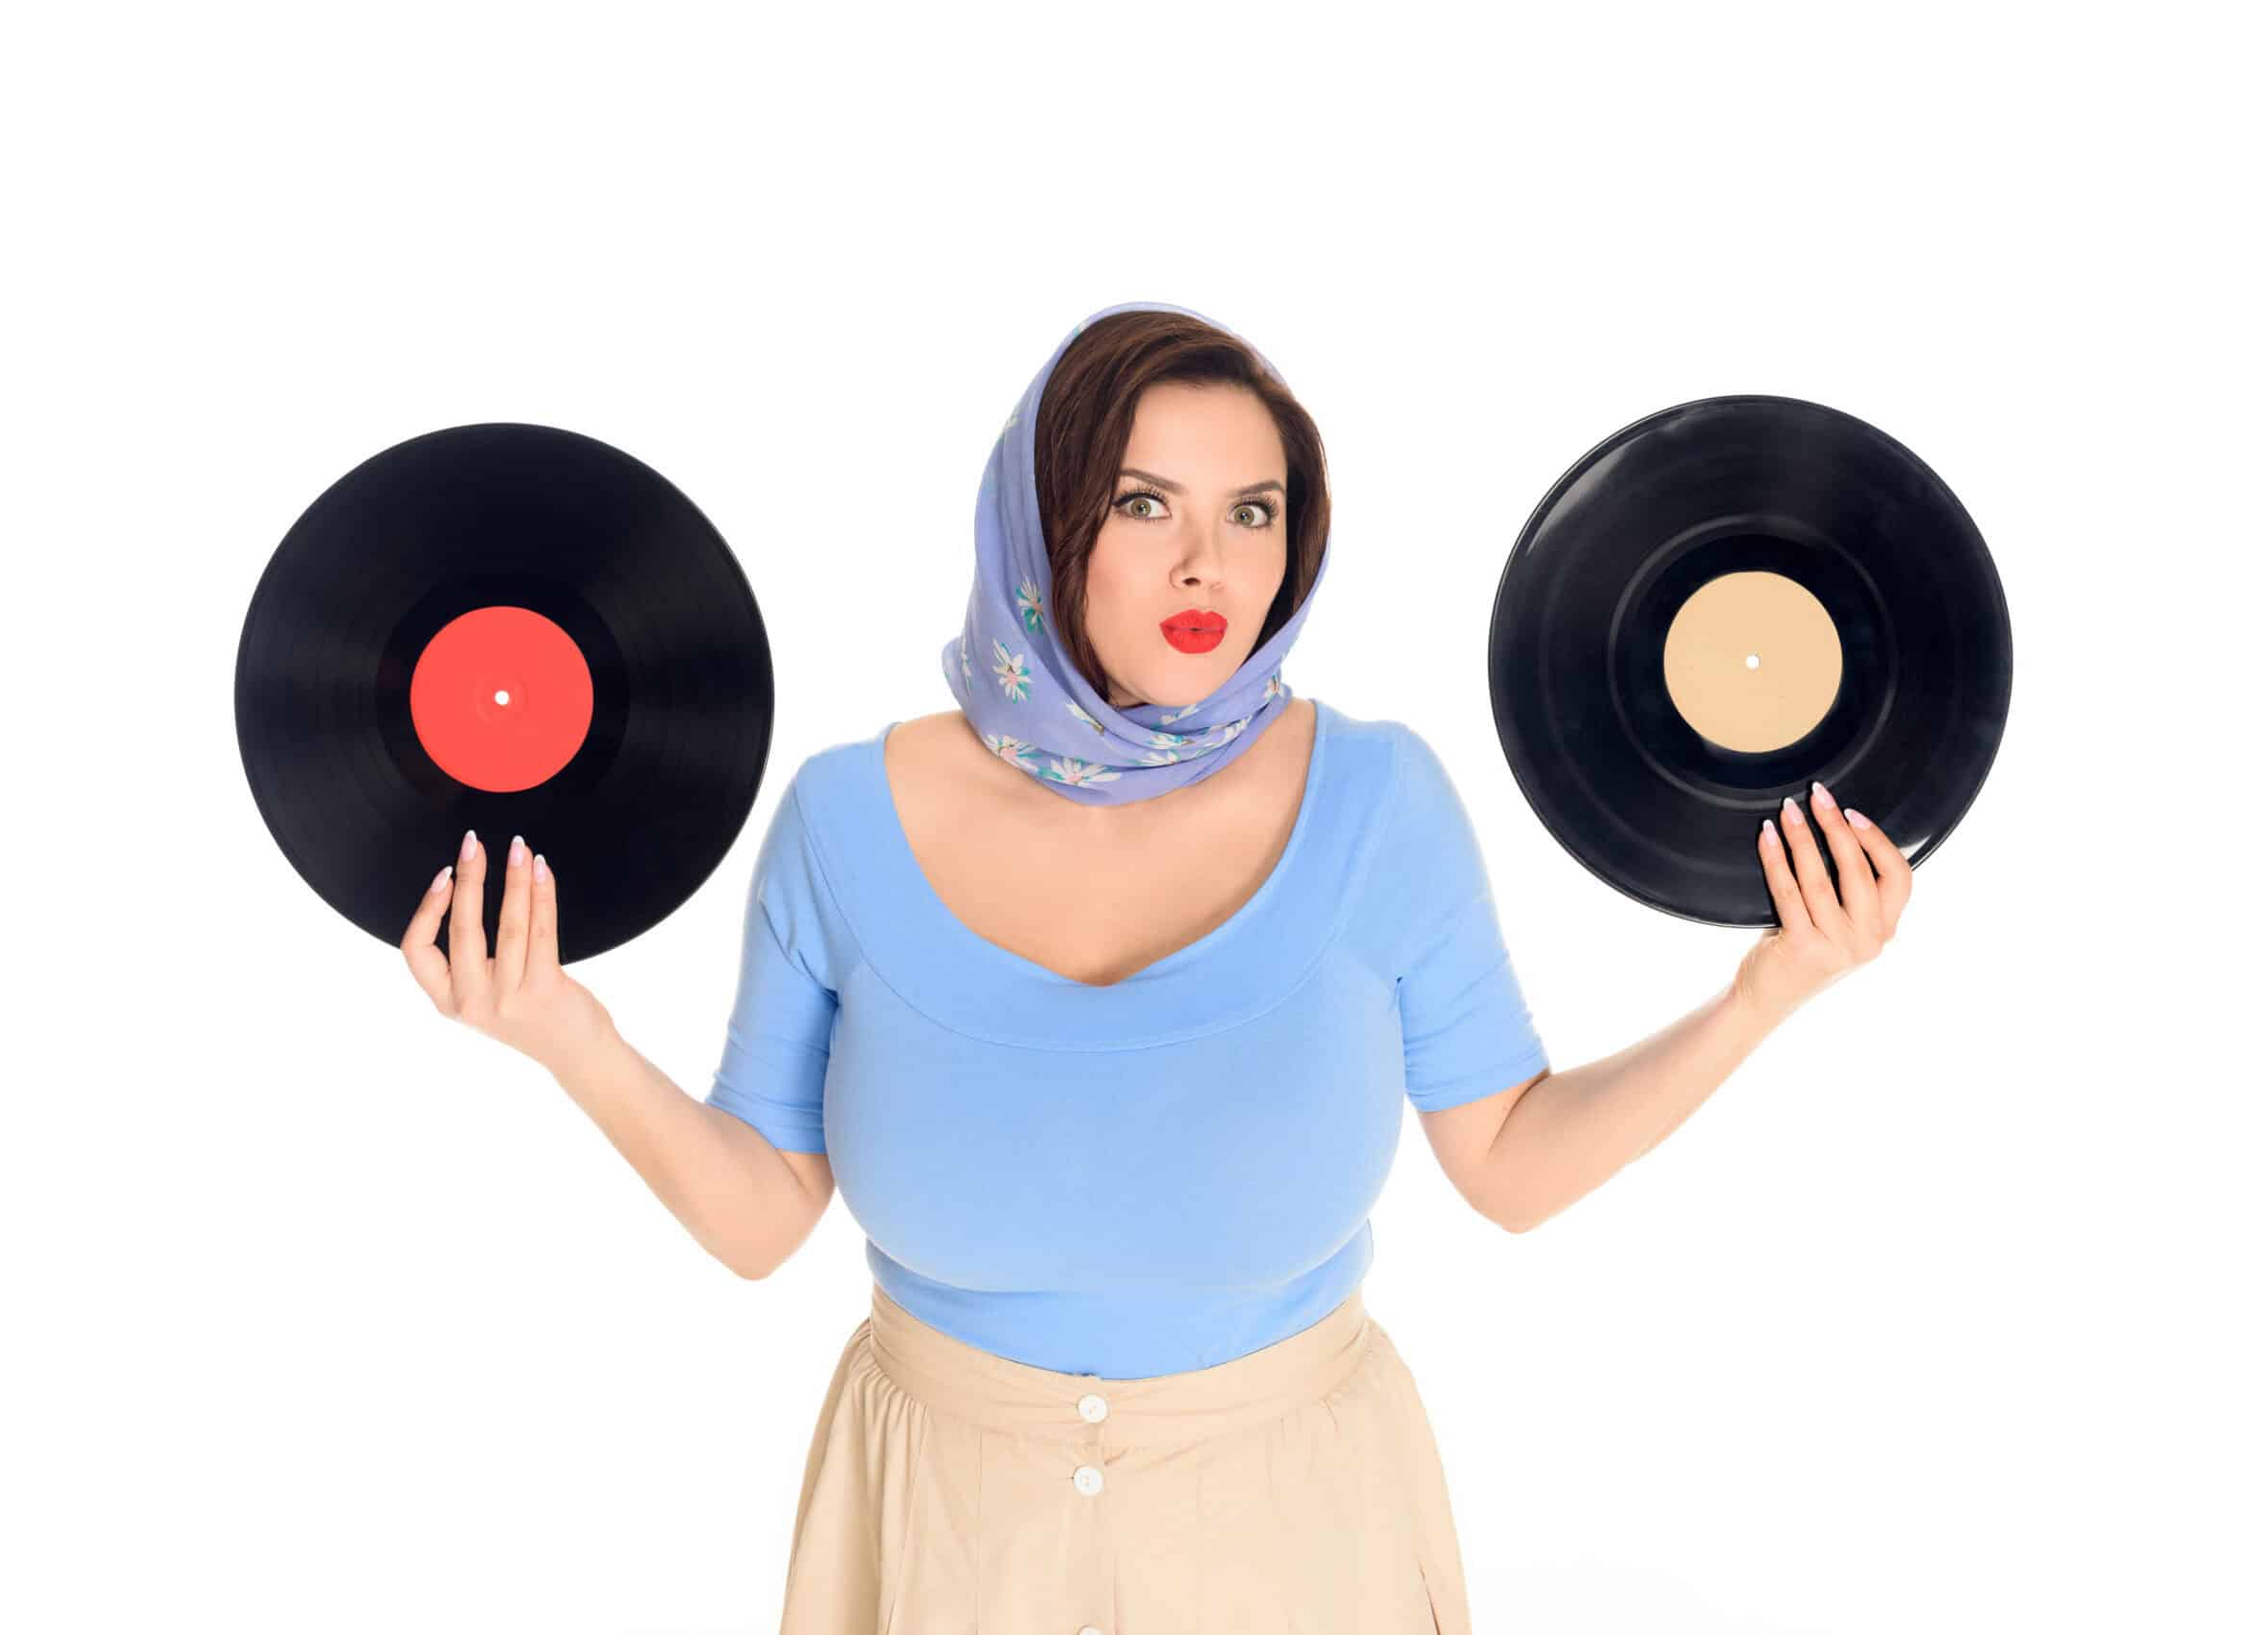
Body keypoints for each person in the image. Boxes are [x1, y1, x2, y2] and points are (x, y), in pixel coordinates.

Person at [398, 301, 1916, 1633]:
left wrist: (1763, 997)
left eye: (1254, 512)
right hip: (938, 1535)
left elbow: (1510, 1163)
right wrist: (565, 1034)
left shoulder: (1382, 803)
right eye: (1144, 503)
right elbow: (757, 1218)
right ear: (1043, 523)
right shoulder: (842, 821)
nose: (1212, 562)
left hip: (1297, 1535)